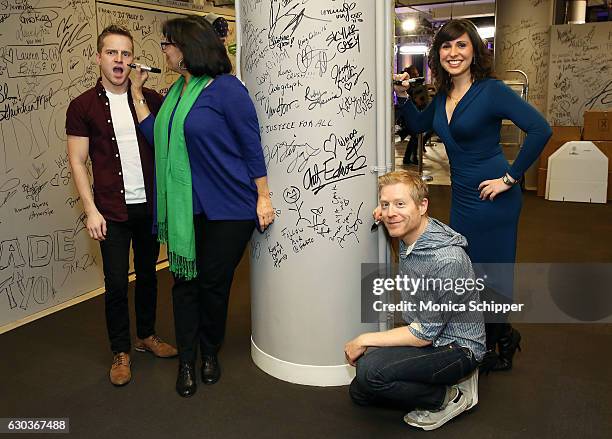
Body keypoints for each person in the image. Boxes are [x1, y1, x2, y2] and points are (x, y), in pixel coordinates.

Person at [394, 19, 552, 372]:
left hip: (494, 199)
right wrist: (404, 96)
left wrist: (510, 178)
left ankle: (501, 338)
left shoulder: (491, 91)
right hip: (463, 198)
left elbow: (542, 129)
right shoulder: (442, 96)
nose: (454, 53)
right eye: (447, 47)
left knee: (491, 274)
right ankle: (484, 337)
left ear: (474, 50)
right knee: (467, 272)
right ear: (438, 54)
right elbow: (419, 126)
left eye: (461, 45)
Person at [130, 17, 274, 397]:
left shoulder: (227, 90)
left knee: (213, 285)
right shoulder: (177, 92)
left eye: (167, 43)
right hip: (185, 208)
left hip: (229, 208)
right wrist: (137, 96)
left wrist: (264, 195)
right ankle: (187, 361)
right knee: (184, 283)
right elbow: (157, 135)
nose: (164, 50)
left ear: (188, 46)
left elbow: (250, 144)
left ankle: (210, 351)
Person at [66, 25, 177, 387]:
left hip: (148, 208)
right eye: (112, 53)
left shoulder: (150, 100)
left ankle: (146, 336)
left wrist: (141, 92)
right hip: (110, 211)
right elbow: (77, 161)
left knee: (149, 275)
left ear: (133, 60)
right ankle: (121, 351)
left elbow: (166, 149)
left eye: (126, 54)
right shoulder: (82, 106)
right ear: (99, 58)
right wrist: (91, 209)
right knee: (115, 283)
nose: (119, 60)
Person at [346, 170, 485, 431]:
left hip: (456, 347)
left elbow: (424, 336)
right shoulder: (411, 231)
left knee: (370, 372)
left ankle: (451, 397)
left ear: (423, 206)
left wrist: (363, 339)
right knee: (360, 393)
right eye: (385, 204)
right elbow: (395, 212)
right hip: (429, 334)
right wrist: (390, 210)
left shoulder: (446, 260)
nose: (389, 213)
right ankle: (433, 382)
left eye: (400, 204)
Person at [397, 66, 431, 165]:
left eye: (417, 74)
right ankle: (410, 158)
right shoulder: (410, 87)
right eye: (415, 74)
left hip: (415, 114)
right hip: (409, 116)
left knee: (414, 139)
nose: (417, 76)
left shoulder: (416, 86)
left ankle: (411, 158)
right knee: (414, 138)